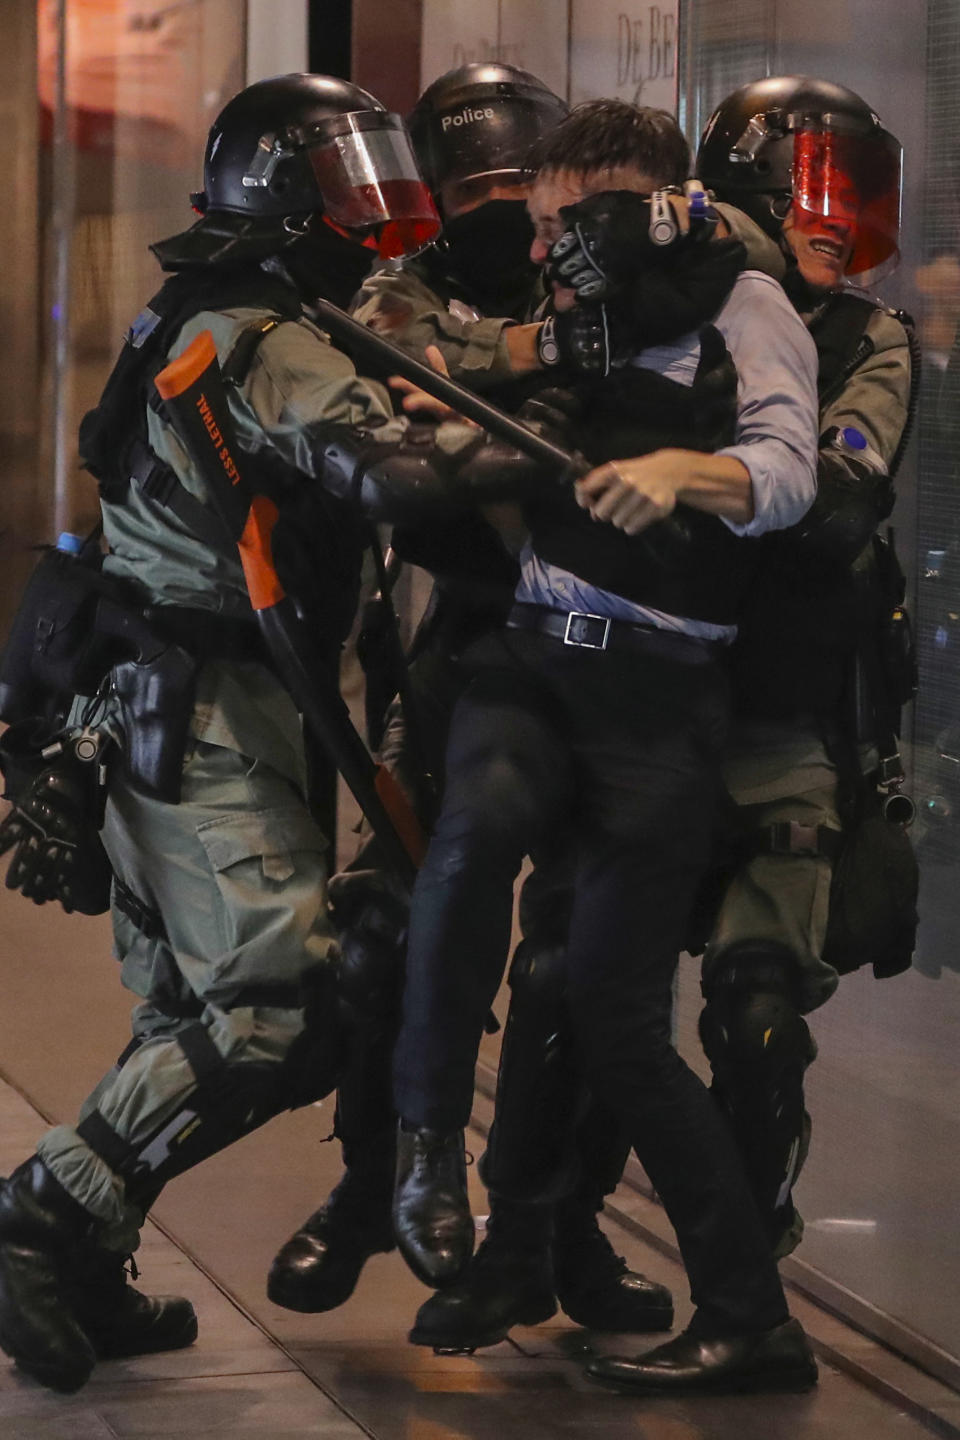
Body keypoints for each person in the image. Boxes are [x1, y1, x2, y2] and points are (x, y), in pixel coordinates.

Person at [0, 72, 549, 1396]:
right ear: (287, 200)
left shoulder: (242, 311)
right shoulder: (263, 335)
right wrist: (577, 460)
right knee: (276, 1013)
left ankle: (81, 1251)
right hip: (196, 714)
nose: (371, 213)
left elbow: (413, 365)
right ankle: (40, 1215)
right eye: (346, 183)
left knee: (194, 1008)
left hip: (178, 706)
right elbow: (395, 467)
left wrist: (544, 354)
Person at [389, 98, 822, 1395]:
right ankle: (425, 1152)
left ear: (673, 203)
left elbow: (792, 472)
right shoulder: (559, 321)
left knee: (619, 1021)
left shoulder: (742, 303)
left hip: (655, 694)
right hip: (532, 663)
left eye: (607, 214)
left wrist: (685, 477)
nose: (578, 241)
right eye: (559, 219)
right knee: (464, 856)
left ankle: (751, 1314)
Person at [267, 62, 678, 1348]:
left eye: (523, 185)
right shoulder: (410, 289)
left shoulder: (616, 272)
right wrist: (531, 381)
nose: (504, 212)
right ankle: (372, 1175)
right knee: (388, 928)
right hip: (457, 651)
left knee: (582, 961)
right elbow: (396, 388)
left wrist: (485, 387)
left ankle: (555, 1232)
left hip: (605, 656)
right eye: (476, 189)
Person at [691, 75, 915, 1259]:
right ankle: (550, 1239)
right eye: (813, 187)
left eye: (855, 192)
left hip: (786, 724)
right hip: (647, 716)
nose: (837, 219)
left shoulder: (871, 343)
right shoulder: (669, 310)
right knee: (575, 996)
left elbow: (836, 508)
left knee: (760, 1010)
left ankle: (742, 1277)